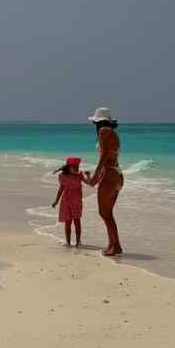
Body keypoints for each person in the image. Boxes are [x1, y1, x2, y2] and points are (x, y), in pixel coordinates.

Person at [84, 106, 123, 257]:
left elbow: (105, 155)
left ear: (97, 122)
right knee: (108, 213)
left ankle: (116, 246)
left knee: (104, 213)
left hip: (109, 174)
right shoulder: (113, 133)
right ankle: (113, 244)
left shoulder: (103, 131)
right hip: (117, 174)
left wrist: (95, 177)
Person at [51, 156, 85, 247]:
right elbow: (60, 189)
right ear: (69, 167)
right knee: (68, 222)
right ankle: (68, 242)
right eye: (75, 167)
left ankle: (78, 242)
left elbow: (90, 182)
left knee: (77, 221)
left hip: (77, 203)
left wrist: (88, 176)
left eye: (78, 167)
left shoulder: (79, 176)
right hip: (66, 202)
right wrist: (56, 201)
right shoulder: (63, 176)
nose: (77, 169)